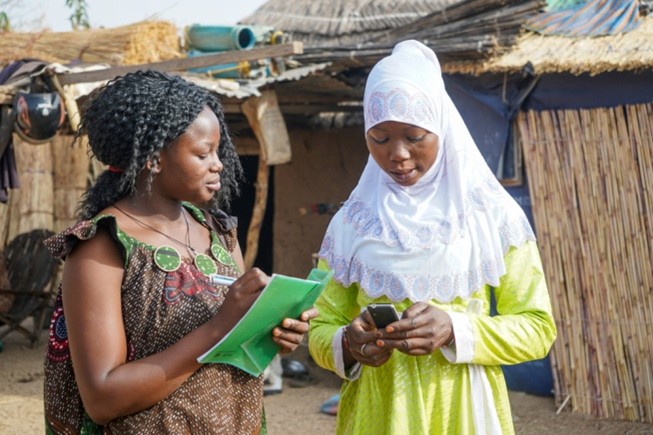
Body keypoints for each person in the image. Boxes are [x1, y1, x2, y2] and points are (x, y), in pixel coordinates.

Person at [43, 70, 316, 434]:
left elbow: (234, 349)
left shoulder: (219, 235)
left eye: (219, 151)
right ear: (154, 159)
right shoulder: (101, 246)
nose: (218, 163)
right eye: (203, 153)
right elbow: (103, 397)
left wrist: (272, 333)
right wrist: (220, 326)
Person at [308, 40, 557, 434]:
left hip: (464, 412)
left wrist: (455, 328)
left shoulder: (491, 216)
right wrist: (349, 342)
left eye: (414, 135)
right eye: (380, 137)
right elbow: (318, 325)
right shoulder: (351, 225)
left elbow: (538, 328)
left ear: (440, 125)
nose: (398, 154)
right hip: (378, 415)